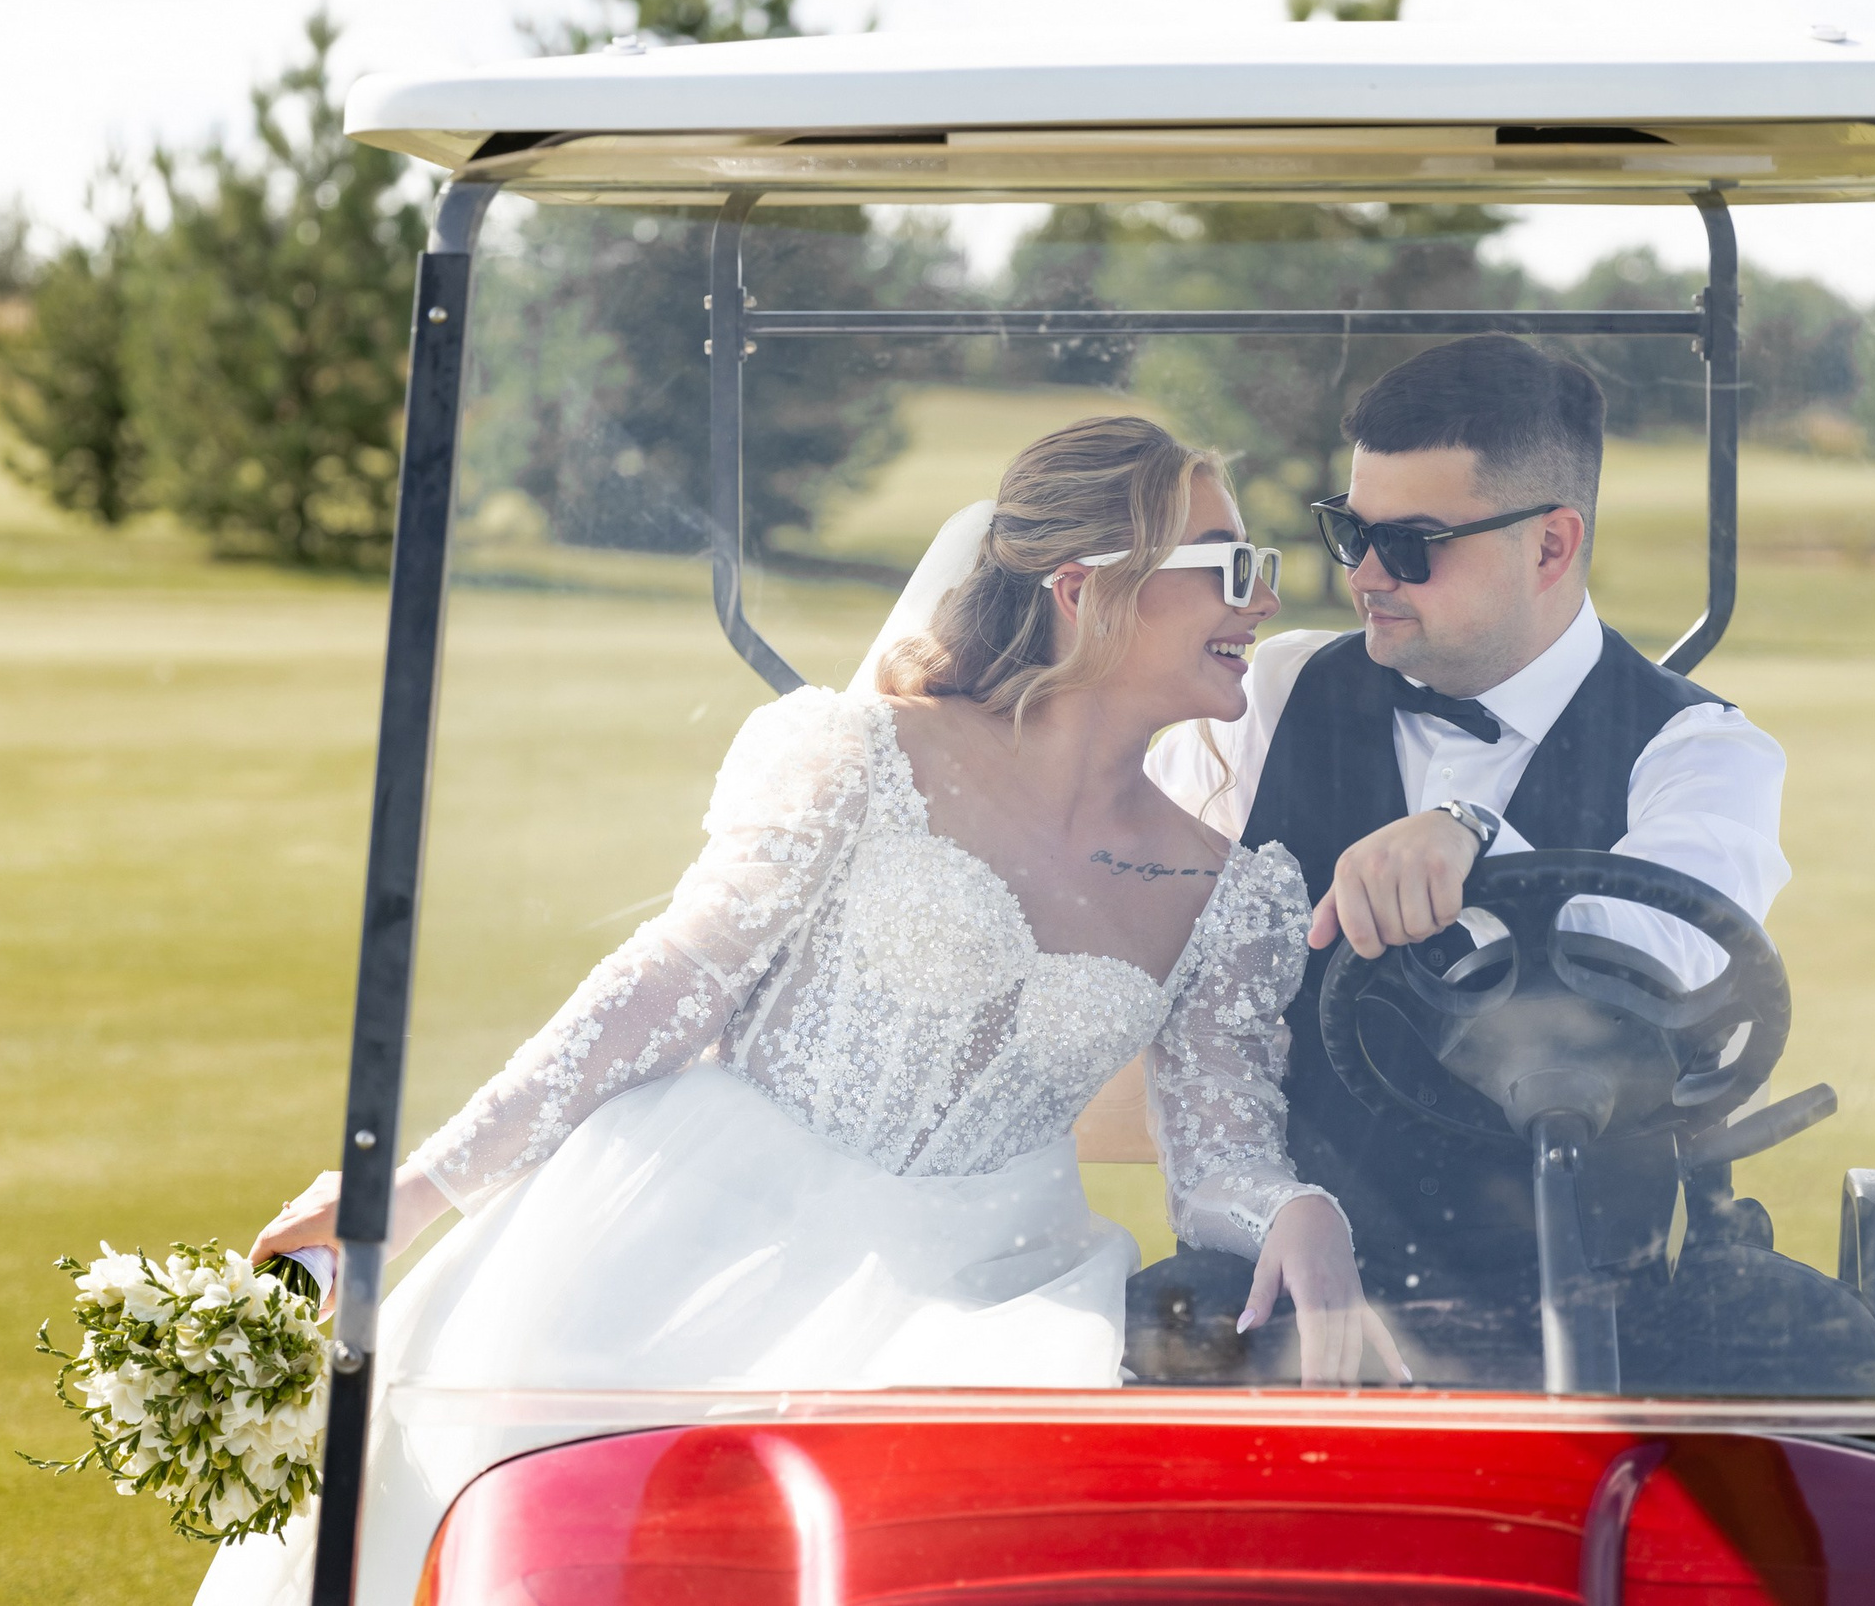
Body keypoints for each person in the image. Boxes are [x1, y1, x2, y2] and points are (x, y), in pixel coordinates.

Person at [203, 417, 1404, 1606]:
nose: (1260, 602)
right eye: (1227, 568)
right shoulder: (856, 753)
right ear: (1087, 586)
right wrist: (400, 1198)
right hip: (697, 1240)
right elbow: (660, 992)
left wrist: (1294, 1207)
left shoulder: (1234, 893)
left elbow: (1220, 1160)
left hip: (989, 1292)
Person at [1136, 335, 1792, 1387]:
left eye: (1411, 545)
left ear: (1549, 546)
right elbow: (1116, 861)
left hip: (1586, 1316)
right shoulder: (1280, 692)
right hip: (1299, 1301)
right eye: (1349, 530)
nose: (1360, 574)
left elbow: (1665, 951)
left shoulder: (1701, 754)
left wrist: (1475, 841)